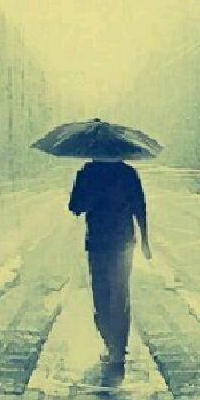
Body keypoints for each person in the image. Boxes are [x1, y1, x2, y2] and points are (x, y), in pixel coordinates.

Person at [68, 159, 151, 371]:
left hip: (106, 243)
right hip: (113, 242)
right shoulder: (124, 173)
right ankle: (114, 346)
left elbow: (75, 206)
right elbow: (75, 206)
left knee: (108, 295)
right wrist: (144, 240)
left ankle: (116, 347)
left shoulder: (90, 173)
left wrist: (145, 240)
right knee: (113, 295)